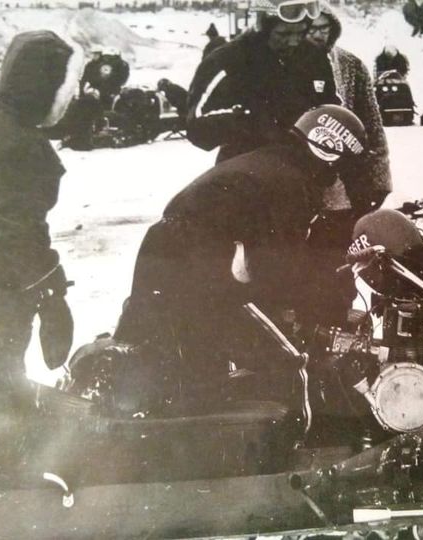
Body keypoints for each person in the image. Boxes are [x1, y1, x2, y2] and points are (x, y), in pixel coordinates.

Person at [111, 105, 367, 412]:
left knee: (182, 361)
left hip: (163, 252)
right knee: (287, 359)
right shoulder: (294, 184)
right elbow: (279, 270)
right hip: (206, 263)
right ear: (333, 158)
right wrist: (319, 311)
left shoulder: (265, 161)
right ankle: (292, 447)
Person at [0, 30, 81, 414]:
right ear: (46, 86)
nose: (75, 95)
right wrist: (52, 300)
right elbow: (19, 235)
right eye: (70, 85)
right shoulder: (18, 144)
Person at [186, 0, 339, 164]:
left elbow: (331, 107)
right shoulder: (229, 60)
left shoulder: (314, 56)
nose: (293, 41)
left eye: (301, 33)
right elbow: (197, 128)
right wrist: (255, 120)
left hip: (302, 171)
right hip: (247, 171)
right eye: (283, 34)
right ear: (263, 29)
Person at [305, 2, 392, 247]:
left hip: (345, 181)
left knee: (339, 249)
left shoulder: (350, 64)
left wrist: (380, 178)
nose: (318, 34)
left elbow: (373, 126)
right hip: (304, 179)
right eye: (311, 28)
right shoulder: (283, 66)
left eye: (324, 28)